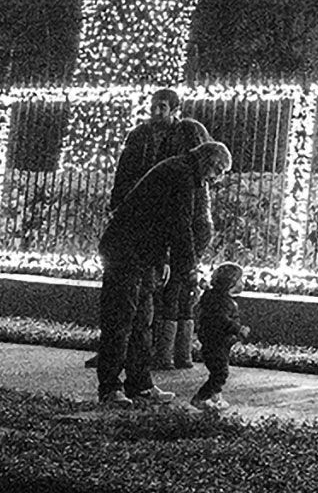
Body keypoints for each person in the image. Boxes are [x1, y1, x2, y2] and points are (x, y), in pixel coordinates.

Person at [95, 140, 231, 405]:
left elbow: (164, 222)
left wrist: (163, 259)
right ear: (207, 161)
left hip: (142, 253)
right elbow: (179, 225)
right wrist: (189, 269)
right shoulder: (180, 174)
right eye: (218, 170)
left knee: (142, 322)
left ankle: (140, 385)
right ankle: (110, 388)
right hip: (126, 252)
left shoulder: (184, 172)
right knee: (121, 321)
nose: (216, 178)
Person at [88, 89, 213, 370]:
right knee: (130, 304)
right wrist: (117, 202)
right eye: (154, 106)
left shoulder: (186, 137)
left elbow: (184, 217)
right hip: (140, 225)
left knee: (157, 299)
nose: (157, 112)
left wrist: (180, 260)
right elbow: (125, 172)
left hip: (157, 226)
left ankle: (158, 357)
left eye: (163, 107)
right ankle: (121, 361)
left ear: (176, 109)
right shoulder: (141, 136)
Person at [190, 261, 251, 406]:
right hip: (216, 342)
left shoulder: (215, 298)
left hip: (218, 343)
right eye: (240, 280)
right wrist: (238, 329)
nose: (243, 283)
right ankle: (201, 397)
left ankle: (215, 397)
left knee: (218, 370)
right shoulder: (221, 302)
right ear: (230, 283)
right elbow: (222, 320)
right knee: (220, 373)